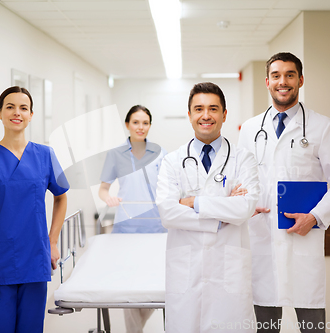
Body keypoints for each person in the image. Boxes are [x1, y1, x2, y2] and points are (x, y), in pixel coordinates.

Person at [238, 52, 330, 332]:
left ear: (300, 80)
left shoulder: (322, 127)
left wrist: (314, 217)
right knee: (264, 325)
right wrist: (244, 202)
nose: (283, 81)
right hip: (261, 237)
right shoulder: (251, 129)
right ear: (267, 81)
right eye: (276, 75)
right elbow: (241, 181)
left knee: (312, 325)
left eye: (290, 75)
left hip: (303, 239)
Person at [0, 86, 69, 333]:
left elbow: (61, 198)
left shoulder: (46, 155)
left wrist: (52, 242)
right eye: (10, 107)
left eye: (23, 108)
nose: (16, 112)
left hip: (35, 263)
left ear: (31, 115)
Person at [156, 82, 260, 333]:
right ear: (189, 115)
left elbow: (245, 207)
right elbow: (168, 213)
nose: (206, 115)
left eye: (213, 109)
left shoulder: (243, 158)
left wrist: (195, 203)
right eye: (199, 109)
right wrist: (221, 214)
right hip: (186, 272)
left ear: (224, 114)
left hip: (229, 270)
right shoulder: (172, 161)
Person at [98, 105, 167, 333]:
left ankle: (135, 329)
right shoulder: (115, 154)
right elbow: (103, 189)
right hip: (126, 229)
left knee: (154, 284)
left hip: (156, 228)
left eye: (145, 123)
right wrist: (108, 198)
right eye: (136, 122)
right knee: (130, 284)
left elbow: (168, 187)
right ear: (127, 124)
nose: (141, 127)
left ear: (150, 125)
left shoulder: (160, 152)